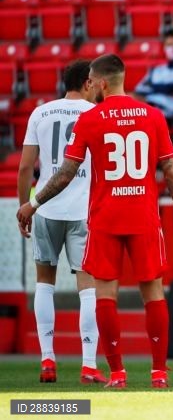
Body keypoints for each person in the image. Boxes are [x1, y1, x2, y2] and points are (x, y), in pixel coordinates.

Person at [17, 54, 173, 389]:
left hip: (105, 218)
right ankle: (158, 373)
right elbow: (170, 169)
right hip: (143, 216)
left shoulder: (92, 119)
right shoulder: (153, 116)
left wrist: (33, 202)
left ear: (99, 83)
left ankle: (117, 373)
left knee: (105, 294)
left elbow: (66, 173)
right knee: (153, 291)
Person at [16, 59, 106, 384]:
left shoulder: (40, 112)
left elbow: (26, 166)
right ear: (88, 83)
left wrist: (25, 206)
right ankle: (88, 364)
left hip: (44, 208)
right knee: (88, 288)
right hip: (84, 210)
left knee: (44, 284)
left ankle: (48, 361)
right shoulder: (95, 115)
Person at [134, 28, 173, 121]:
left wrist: (154, 87)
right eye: (169, 45)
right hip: (150, 104)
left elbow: (172, 88)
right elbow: (140, 89)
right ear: (164, 47)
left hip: (169, 110)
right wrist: (160, 89)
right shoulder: (157, 70)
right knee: (128, 100)